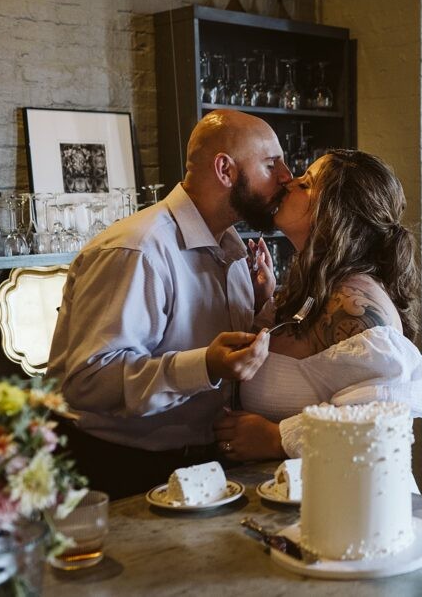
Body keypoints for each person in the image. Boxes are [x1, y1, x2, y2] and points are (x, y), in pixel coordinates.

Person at [48, 110, 292, 498]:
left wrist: (261, 306)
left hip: (206, 466)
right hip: (119, 470)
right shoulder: (138, 249)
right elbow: (86, 382)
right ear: (225, 170)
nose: (286, 177)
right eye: (271, 163)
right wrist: (205, 366)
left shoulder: (230, 246)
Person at [213, 149, 422, 461]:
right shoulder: (315, 290)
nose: (289, 181)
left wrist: (277, 438)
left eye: (305, 184)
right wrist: (262, 300)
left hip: (351, 504)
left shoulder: (353, 304)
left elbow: (382, 428)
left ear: (334, 213)